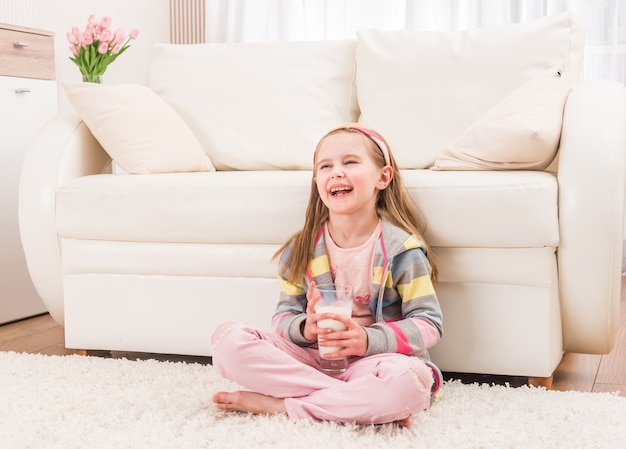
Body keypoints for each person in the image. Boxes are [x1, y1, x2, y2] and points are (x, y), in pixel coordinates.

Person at [211, 123, 443, 427]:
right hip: (313, 361)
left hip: (374, 364)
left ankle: (283, 406)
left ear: (382, 177)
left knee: (409, 381)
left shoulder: (402, 251)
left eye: (350, 162)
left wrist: (366, 339)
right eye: (325, 166)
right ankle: (353, 402)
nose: (336, 172)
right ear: (317, 180)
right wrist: (306, 328)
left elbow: (428, 324)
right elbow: (283, 318)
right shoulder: (302, 249)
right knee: (227, 341)